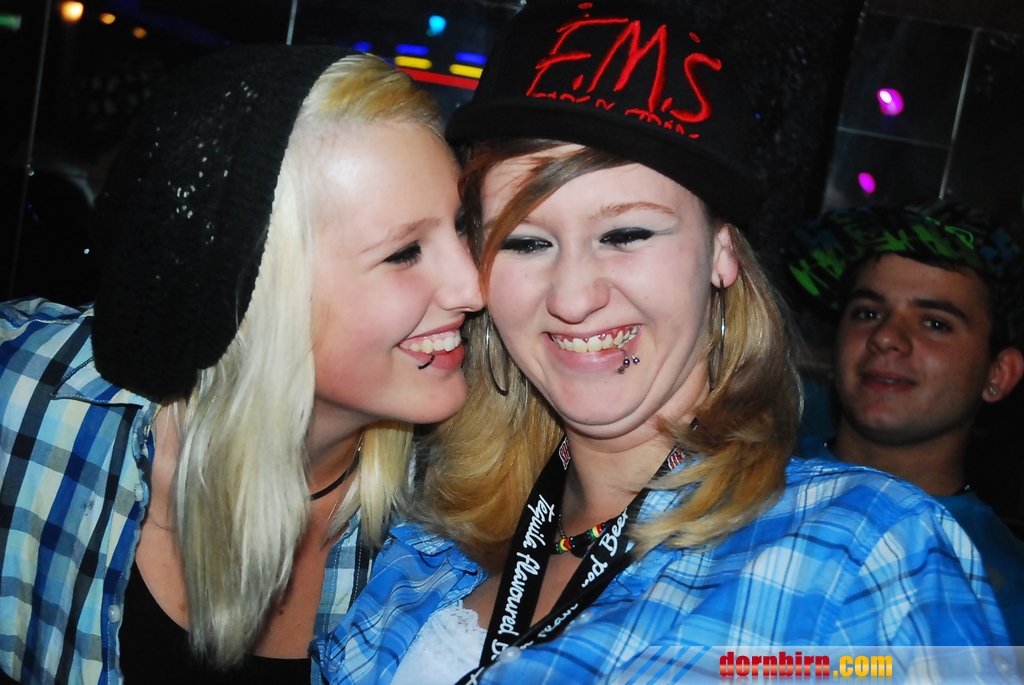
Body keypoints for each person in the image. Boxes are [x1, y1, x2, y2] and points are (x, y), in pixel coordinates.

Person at [314, 2, 1009, 684]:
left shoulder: (863, 555)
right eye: (526, 242)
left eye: (626, 234)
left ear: (721, 251)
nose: (573, 297)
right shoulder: (423, 548)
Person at [0, 45, 482, 685]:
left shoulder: (459, 514)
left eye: (462, 228)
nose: (473, 288)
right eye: (404, 253)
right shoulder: (28, 398)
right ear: (259, 293)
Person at [787, 203, 1024, 644]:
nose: (885, 337)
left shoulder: (999, 590)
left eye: (935, 323)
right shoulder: (737, 476)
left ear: (998, 374)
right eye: (867, 313)